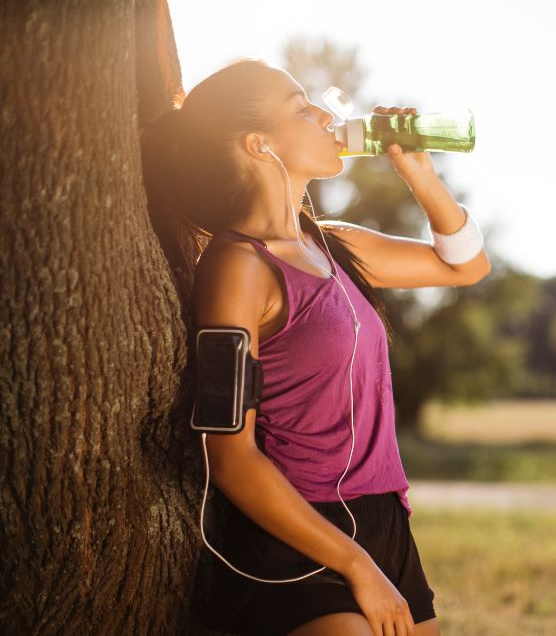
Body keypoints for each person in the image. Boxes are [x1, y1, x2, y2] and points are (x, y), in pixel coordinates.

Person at [139, 57, 490, 636]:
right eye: (302, 109)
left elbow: (466, 265)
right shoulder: (237, 267)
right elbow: (230, 455)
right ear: (258, 145)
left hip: (385, 522)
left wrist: (420, 175)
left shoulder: (336, 246)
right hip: (296, 539)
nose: (327, 115)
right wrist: (355, 564)